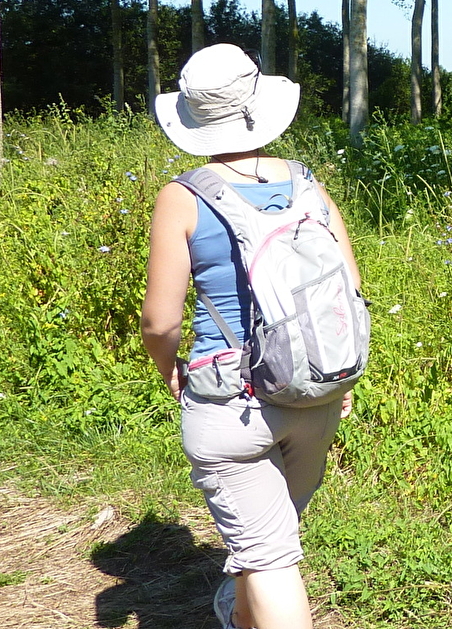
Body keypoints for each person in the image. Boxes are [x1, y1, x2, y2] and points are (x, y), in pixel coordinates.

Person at [140, 44, 358, 629]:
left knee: (269, 558)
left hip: (229, 401)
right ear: (258, 107)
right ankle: (238, 617)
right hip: (316, 392)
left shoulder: (182, 197)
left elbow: (160, 321)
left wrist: (170, 373)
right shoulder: (309, 186)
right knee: (269, 535)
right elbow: (348, 292)